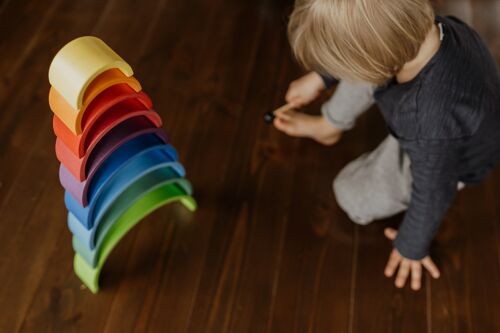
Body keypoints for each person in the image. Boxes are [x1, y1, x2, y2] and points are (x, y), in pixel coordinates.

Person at [273, 0, 500, 290]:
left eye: (337, 66)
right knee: (368, 66)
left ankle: (333, 122)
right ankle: (328, 126)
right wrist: (323, 77)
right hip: (434, 117)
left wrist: (411, 245)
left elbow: (434, 188)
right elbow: (375, 36)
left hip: (448, 156)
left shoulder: (429, 120)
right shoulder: (424, 29)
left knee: (350, 195)